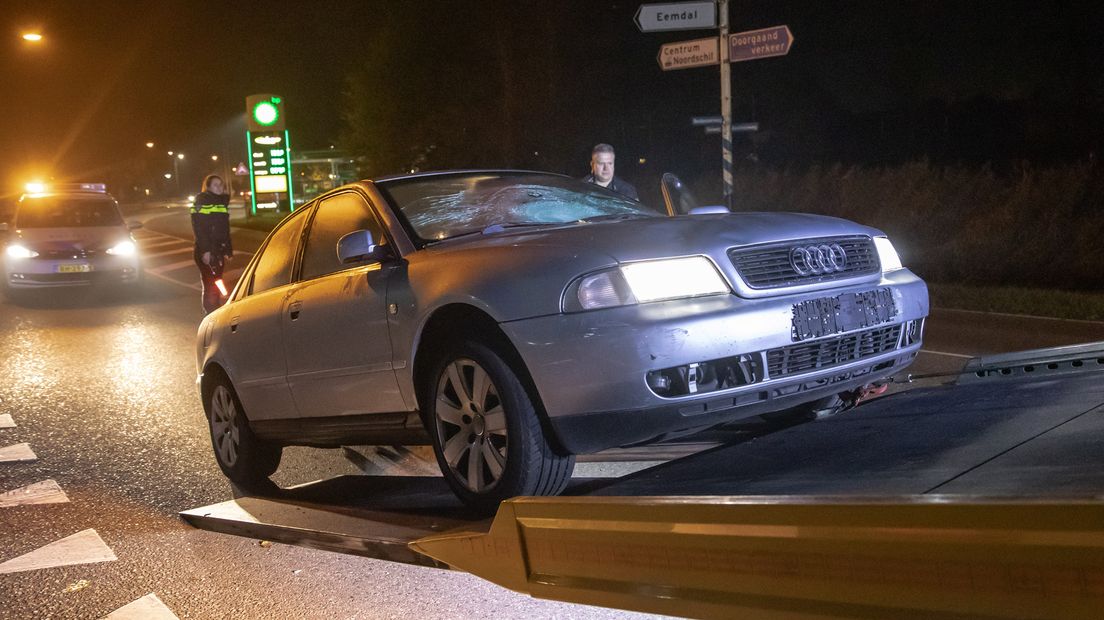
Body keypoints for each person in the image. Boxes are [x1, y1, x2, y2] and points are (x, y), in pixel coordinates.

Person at [191, 174, 233, 314]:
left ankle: (215, 310)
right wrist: (205, 251)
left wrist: (228, 249)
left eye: (221, 185)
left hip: (218, 250)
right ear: (207, 187)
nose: (219, 187)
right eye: (215, 185)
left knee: (216, 282)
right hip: (206, 251)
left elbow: (224, 229)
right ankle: (211, 314)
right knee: (210, 284)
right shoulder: (202, 201)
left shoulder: (220, 202)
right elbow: (200, 229)